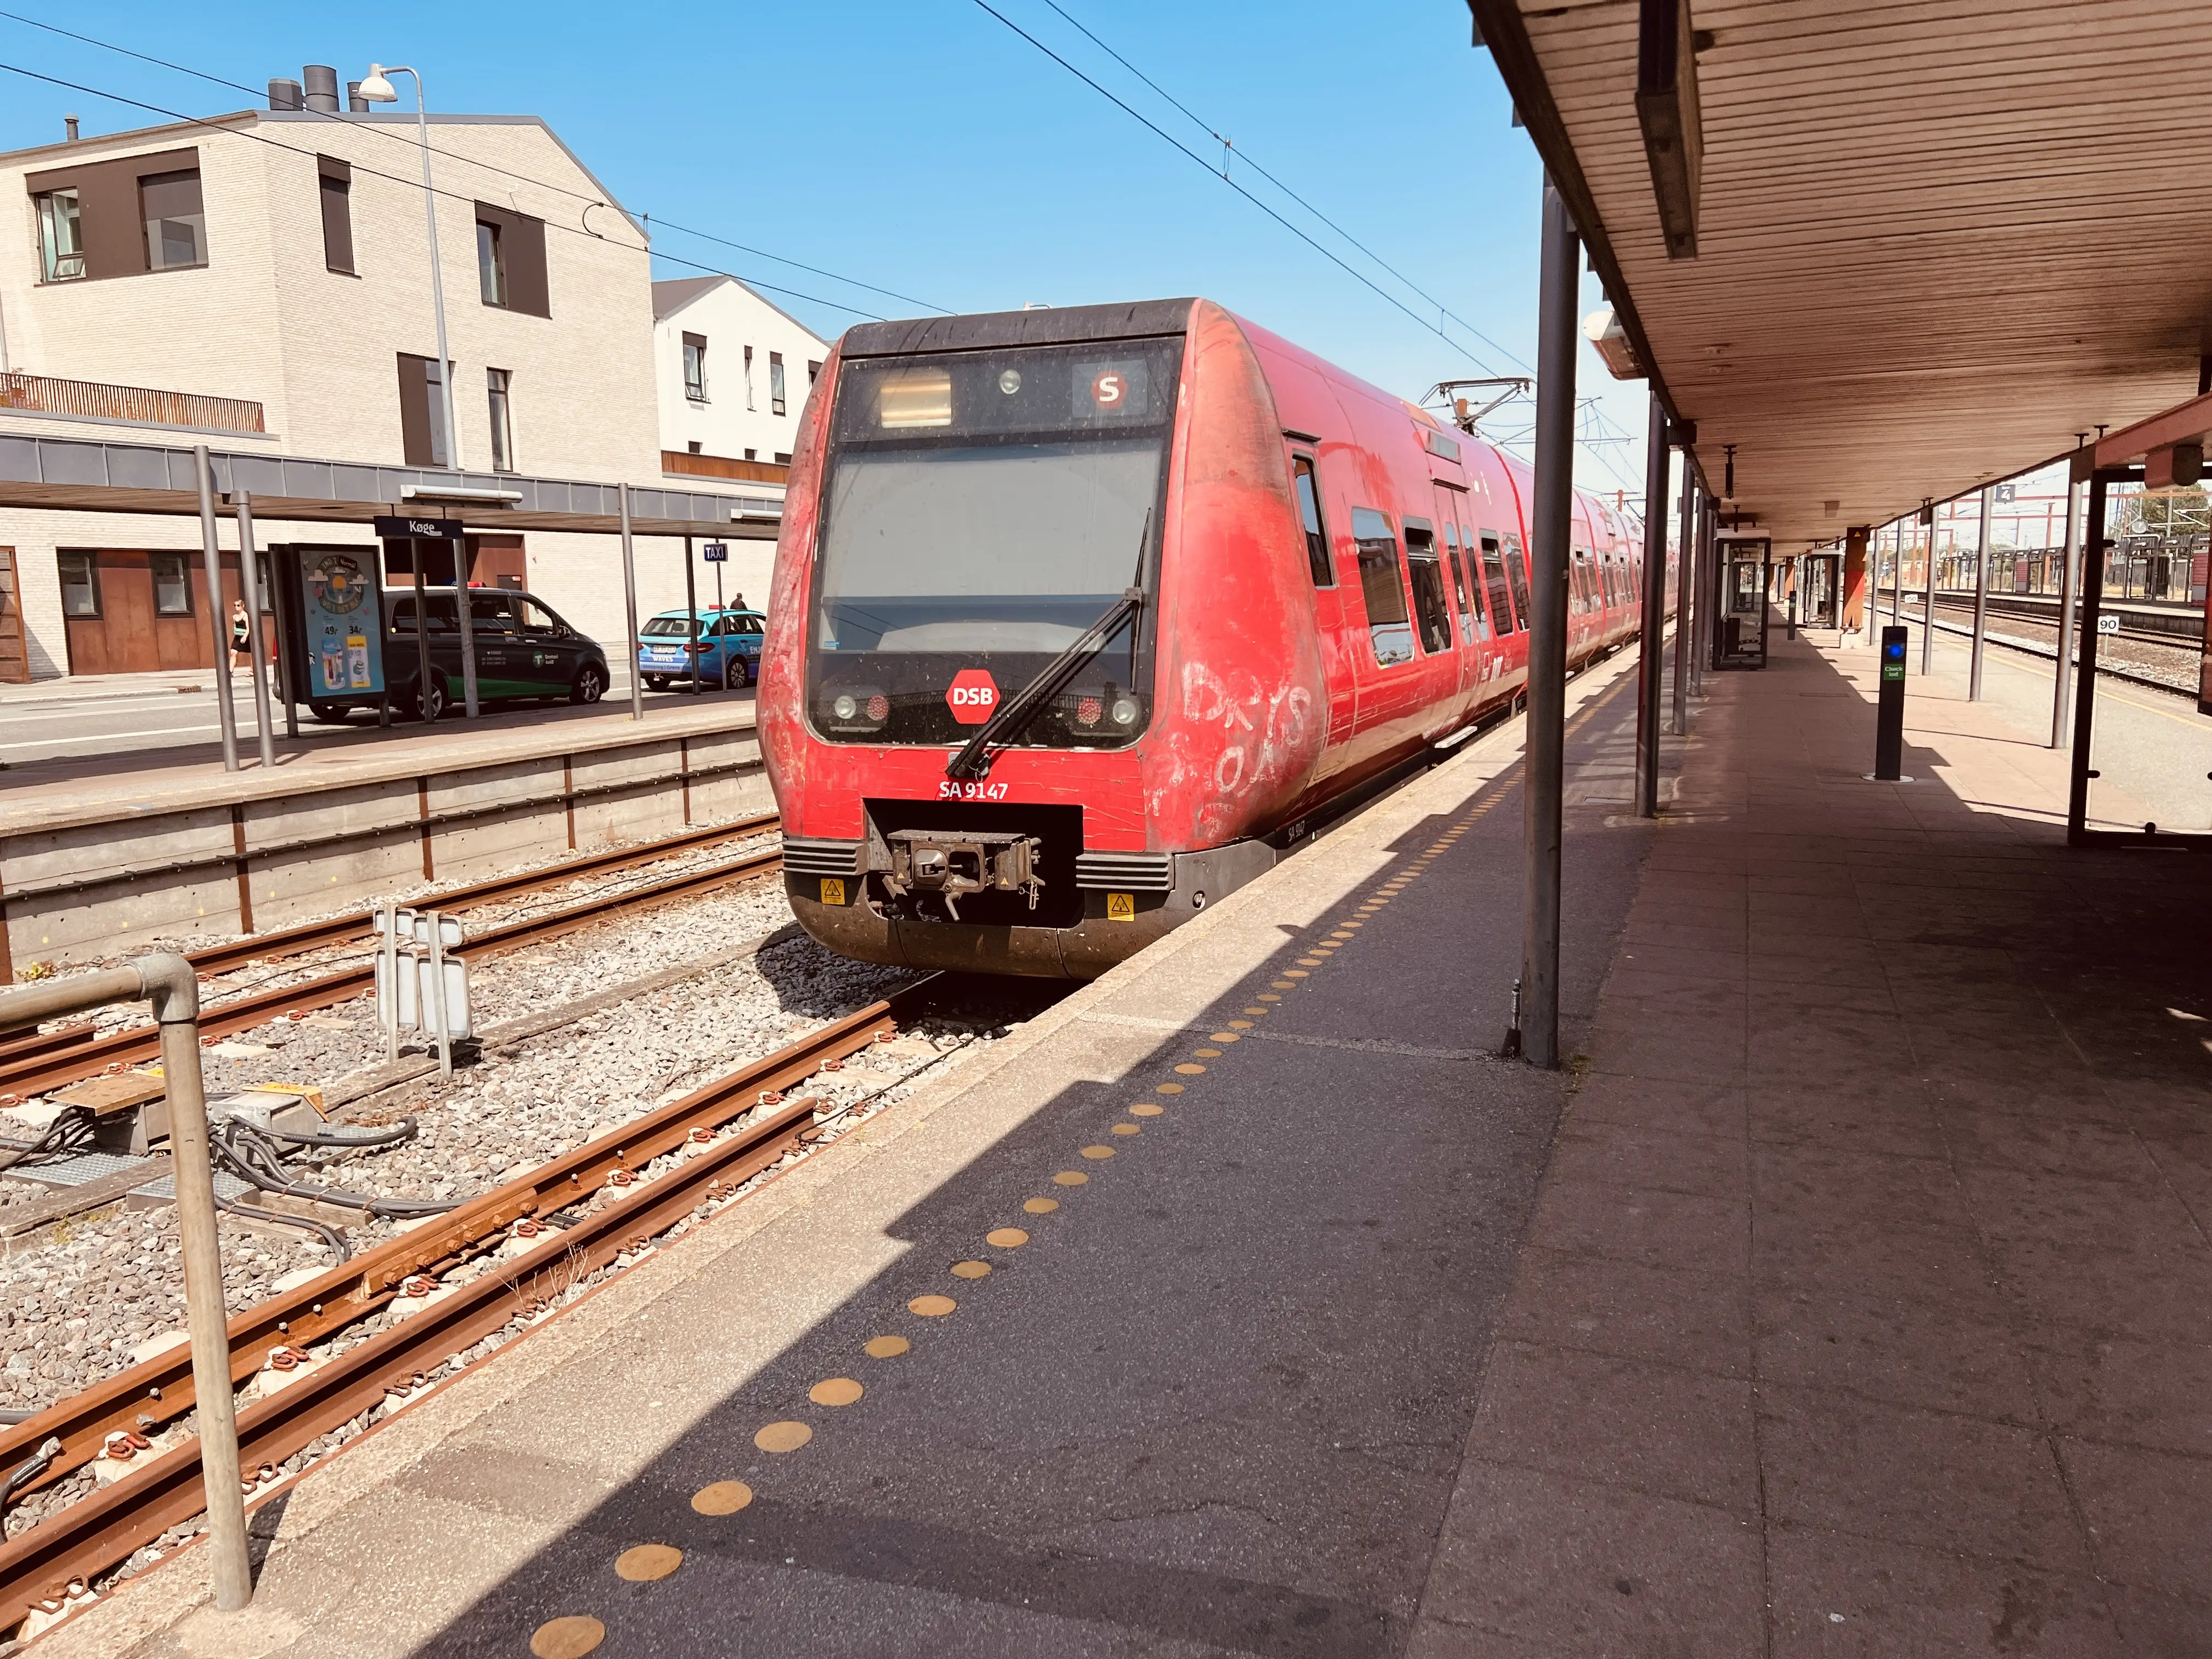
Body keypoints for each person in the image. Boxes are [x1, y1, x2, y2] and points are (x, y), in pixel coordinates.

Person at [229, 597, 252, 669]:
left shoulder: (245, 615)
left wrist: (245, 637)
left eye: (238, 605)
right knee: (233, 652)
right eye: (235, 605)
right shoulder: (235, 617)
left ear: (243, 606)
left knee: (252, 654)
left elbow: (248, 628)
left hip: (246, 636)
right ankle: (230, 671)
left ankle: (253, 670)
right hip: (238, 637)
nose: (236, 607)